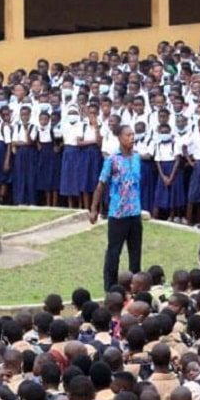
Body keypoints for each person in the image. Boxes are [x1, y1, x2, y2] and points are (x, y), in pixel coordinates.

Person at [90, 125, 143, 293]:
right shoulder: (112, 159)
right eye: (128, 135)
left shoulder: (137, 158)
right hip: (118, 213)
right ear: (120, 137)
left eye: (133, 135)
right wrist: (94, 208)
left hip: (135, 213)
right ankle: (110, 288)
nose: (132, 138)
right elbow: (101, 184)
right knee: (114, 252)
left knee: (135, 252)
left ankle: (136, 286)